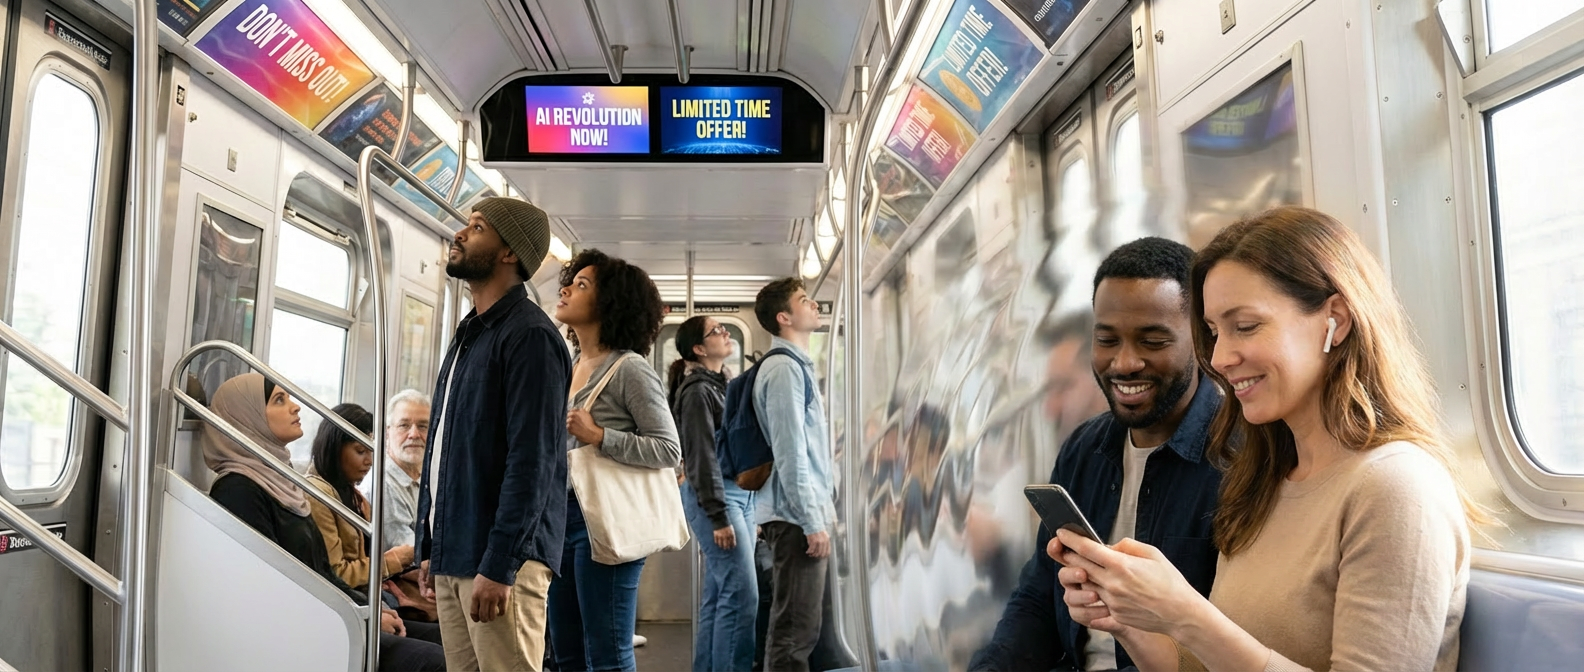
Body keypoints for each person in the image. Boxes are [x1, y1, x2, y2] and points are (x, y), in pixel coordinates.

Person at [1054, 207, 1480, 671]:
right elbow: (1204, 666)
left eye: (1246, 326)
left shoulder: (1396, 487)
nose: (1220, 357)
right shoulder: (1266, 480)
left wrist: (1187, 613)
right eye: (1213, 332)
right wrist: (1125, 617)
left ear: (1335, 320)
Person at [968, 237, 1224, 672]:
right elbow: (1039, 595)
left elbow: (1232, 640)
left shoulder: (1238, 460)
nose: (1123, 363)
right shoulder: (1084, 449)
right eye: (1107, 339)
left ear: (1201, 341)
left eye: (1152, 341)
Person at [415, 196, 570, 672]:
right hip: (457, 550)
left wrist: (501, 563)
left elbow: (532, 461)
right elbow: (446, 445)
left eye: (478, 227)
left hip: (500, 561)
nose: (460, 234)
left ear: (509, 252)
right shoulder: (470, 334)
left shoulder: (530, 337)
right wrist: (430, 544)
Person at [202, 373, 444, 671]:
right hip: (304, 624)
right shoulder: (240, 490)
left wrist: (366, 609)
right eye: (279, 400)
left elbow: (323, 572)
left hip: (331, 611)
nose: (295, 407)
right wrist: (362, 615)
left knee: (446, 642)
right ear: (248, 417)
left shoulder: (282, 484)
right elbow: (272, 586)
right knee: (435, 661)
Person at [547, 248, 682, 672]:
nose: (566, 290)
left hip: (605, 521)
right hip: (559, 519)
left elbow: (668, 449)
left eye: (581, 285)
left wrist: (600, 436)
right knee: (565, 652)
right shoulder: (569, 364)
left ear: (608, 303)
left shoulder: (630, 370)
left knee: (608, 654)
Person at [752, 277, 835, 672]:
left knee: (804, 628)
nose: (814, 304)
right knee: (794, 633)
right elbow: (790, 455)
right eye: (804, 300)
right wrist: (811, 521)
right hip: (794, 518)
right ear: (784, 318)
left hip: (797, 515)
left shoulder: (796, 366)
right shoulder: (784, 369)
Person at [669, 315, 757, 672]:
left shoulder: (722, 385)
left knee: (720, 594)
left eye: (724, 328)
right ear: (699, 349)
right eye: (716, 331)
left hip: (738, 495)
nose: (725, 333)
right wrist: (718, 516)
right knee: (742, 596)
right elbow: (701, 458)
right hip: (716, 498)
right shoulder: (697, 392)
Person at [305, 403, 415, 588]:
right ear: (334, 449)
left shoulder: (353, 494)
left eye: (371, 452)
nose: (369, 461)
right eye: (360, 451)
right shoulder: (318, 495)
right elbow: (337, 573)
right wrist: (393, 560)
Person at [378, 389, 438, 621]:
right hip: (402, 594)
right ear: (388, 432)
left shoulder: (430, 479)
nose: (414, 434)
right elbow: (409, 553)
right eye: (404, 425)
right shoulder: (383, 483)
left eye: (423, 426)